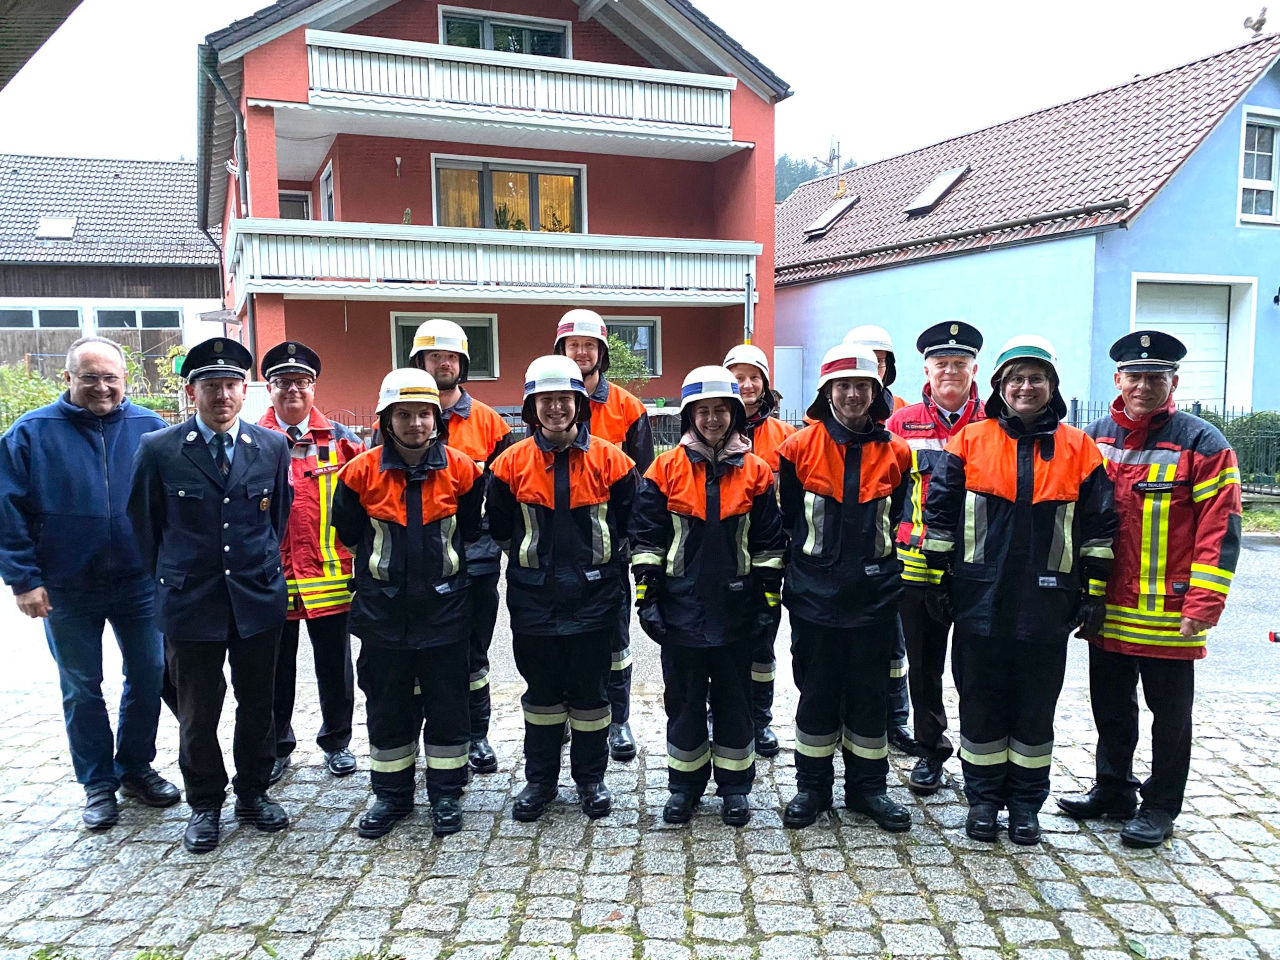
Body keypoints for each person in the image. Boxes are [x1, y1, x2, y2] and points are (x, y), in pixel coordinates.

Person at [922, 335, 1116, 845]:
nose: (1025, 387)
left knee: (1035, 708)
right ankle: (984, 800)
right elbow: (939, 517)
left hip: (1048, 604)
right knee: (980, 703)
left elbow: (1098, 529)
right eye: (1015, 379)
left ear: (1052, 387)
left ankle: (1026, 805)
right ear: (999, 387)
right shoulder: (968, 442)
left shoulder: (1081, 449)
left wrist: (1094, 592)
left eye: (1036, 379)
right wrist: (939, 579)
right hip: (977, 599)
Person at [1058, 331, 1242, 848]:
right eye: (1134, 376)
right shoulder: (1090, 436)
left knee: (1170, 715)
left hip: (1171, 609)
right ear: (1117, 379)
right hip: (1109, 605)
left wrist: (1205, 603)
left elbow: (1220, 528)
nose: (1143, 386)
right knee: (1110, 706)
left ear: (1173, 382)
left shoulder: (1202, 442)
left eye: (1155, 377)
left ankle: (1161, 805)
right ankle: (1113, 790)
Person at [0, 336, 179, 829]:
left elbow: (176, 503)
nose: (102, 387)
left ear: (126, 380)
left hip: (140, 582)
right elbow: (6, 511)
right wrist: (23, 580)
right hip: (65, 587)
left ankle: (136, 767)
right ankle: (98, 783)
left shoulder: (150, 428)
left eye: (111, 378)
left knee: (148, 675)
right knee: (82, 687)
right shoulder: (31, 433)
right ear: (69, 379)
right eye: (90, 377)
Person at [128, 337, 293, 853]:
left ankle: (253, 794)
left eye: (230, 386)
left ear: (245, 391)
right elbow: (145, 527)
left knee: (258, 704)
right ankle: (205, 803)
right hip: (190, 601)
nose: (221, 395)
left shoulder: (270, 447)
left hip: (256, 598)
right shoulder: (159, 449)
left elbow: (277, 519)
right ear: (191, 391)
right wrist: (175, 578)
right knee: (198, 709)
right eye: (210, 387)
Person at [631, 366, 786, 827]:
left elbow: (769, 544)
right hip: (680, 609)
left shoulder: (757, 471)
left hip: (737, 610)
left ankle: (736, 789)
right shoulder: (664, 470)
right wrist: (647, 598)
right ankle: (684, 788)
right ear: (689, 416)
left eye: (721, 410)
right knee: (683, 701)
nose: (713, 419)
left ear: (736, 414)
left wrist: (766, 604)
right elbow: (647, 541)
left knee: (736, 703)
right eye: (704, 411)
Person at [330, 369, 481, 838]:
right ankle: (391, 796)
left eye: (423, 413)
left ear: (437, 418)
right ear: (386, 419)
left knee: (448, 704)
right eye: (404, 414)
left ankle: (446, 794)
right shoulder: (358, 473)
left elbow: (474, 533)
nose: (414, 423)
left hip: (445, 611)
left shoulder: (462, 470)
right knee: (387, 705)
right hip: (383, 613)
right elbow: (349, 534)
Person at [487, 355, 637, 822]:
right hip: (534, 599)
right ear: (533, 406)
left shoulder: (613, 461)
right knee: (542, 696)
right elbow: (499, 526)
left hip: (596, 599)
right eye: (546, 400)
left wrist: (602, 572)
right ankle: (541, 781)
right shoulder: (510, 464)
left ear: (579, 403)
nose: (556, 408)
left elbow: (631, 524)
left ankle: (590, 780)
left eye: (564, 399)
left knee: (592, 697)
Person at [777, 343, 913, 833]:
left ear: (876, 392)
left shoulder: (897, 452)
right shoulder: (796, 448)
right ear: (826, 392)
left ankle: (867, 789)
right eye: (843, 386)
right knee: (816, 691)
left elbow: (899, 519)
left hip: (874, 596)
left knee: (870, 695)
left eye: (862, 386)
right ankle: (811, 788)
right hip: (814, 593)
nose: (853, 394)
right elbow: (787, 518)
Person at [409, 318, 514, 774]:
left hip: (476, 556)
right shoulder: (400, 415)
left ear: (463, 364)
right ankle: (417, 734)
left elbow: (506, 494)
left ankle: (477, 734)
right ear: (420, 362)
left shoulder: (490, 423)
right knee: (420, 650)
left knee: (473, 651)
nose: (442, 365)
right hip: (419, 558)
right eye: (434, 358)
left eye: (450, 357)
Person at [884, 321, 985, 796]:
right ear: (927, 368)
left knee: (975, 670)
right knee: (924, 667)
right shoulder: (900, 424)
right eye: (941, 363)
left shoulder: (993, 422)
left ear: (974, 369)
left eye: (959, 363)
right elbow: (883, 493)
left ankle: (977, 756)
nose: (950, 370)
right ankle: (930, 752)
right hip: (916, 566)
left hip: (976, 569)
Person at [257, 341, 363, 785]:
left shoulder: (344, 441)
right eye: (283, 383)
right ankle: (278, 744)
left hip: (329, 574)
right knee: (274, 667)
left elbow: (366, 506)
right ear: (270, 389)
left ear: (314, 387)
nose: (293, 390)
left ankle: (337, 742)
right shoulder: (253, 442)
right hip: (270, 576)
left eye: (301, 382)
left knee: (334, 665)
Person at [553, 308, 653, 762]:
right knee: (561, 638)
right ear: (561, 351)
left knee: (615, 642)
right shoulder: (548, 397)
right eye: (573, 345)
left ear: (602, 353)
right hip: (558, 544)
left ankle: (619, 720)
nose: (581, 352)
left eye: (589, 346)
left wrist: (633, 545)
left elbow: (645, 483)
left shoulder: (628, 408)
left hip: (611, 548)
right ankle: (567, 717)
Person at [843, 325, 915, 757]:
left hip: (891, 554)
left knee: (894, 650)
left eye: (881, 359)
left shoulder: (902, 416)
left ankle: (897, 719)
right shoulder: (819, 425)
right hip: (840, 559)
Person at [722, 343, 796, 758]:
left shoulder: (786, 436)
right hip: (720, 553)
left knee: (762, 641)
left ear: (766, 384)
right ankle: (720, 714)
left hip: (768, 552)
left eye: (754, 377)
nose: (746, 385)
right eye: (738, 376)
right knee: (717, 639)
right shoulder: (708, 423)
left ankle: (759, 719)